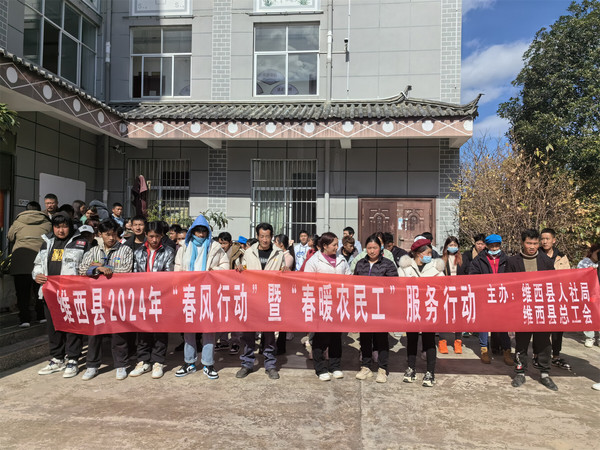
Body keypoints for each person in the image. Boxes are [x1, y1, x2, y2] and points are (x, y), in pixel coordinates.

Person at [32, 212, 88, 378]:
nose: (61, 230)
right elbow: (38, 264)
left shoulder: (81, 243)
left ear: (70, 227)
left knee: (72, 326)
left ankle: (73, 359)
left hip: (72, 293)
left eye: (64, 226)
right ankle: (57, 359)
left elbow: (87, 266)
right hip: (50, 292)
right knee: (53, 327)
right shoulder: (47, 242)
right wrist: (37, 275)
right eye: (57, 227)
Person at [173, 214, 229, 379]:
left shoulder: (215, 247)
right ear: (192, 231)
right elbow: (177, 269)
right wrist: (180, 285)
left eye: (204, 231)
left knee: (208, 329)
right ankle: (189, 362)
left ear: (208, 232)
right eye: (197, 231)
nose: (201, 234)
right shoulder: (184, 247)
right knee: (189, 328)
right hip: (189, 292)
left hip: (208, 293)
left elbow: (225, 267)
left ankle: (208, 363)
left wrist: (214, 271)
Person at [78, 219, 134, 381]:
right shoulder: (93, 250)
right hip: (97, 298)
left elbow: (126, 269)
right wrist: (98, 268)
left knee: (118, 333)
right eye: (107, 234)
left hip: (117, 298)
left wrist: (100, 268)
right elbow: (82, 269)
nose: (111, 238)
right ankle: (92, 365)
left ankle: (121, 365)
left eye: (114, 234)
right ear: (100, 234)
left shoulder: (125, 250)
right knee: (95, 333)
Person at [506, 229, 557, 391]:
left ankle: (544, 373)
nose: (532, 246)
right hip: (522, 308)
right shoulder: (513, 262)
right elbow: (507, 285)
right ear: (523, 243)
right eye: (529, 243)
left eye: (535, 243)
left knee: (543, 342)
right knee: (521, 342)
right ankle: (520, 372)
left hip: (541, 308)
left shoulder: (546, 261)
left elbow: (553, 284)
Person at [236, 223, 285, 380]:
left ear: (272, 237)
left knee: (269, 335)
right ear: (257, 236)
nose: (265, 240)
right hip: (252, 298)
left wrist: (286, 271)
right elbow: (242, 269)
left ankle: (270, 365)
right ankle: (247, 363)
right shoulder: (249, 252)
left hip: (270, 298)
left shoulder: (279, 253)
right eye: (262, 236)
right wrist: (239, 268)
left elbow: (284, 272)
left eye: (267, 236)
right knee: (248, 334)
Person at [128, 221, 176, 379]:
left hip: (160, 296)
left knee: (160, 330)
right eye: (151, 236)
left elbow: (168, 275)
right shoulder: (138, 252)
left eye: (157, 236)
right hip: (143, 296)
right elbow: (135, 274)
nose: (154, 240)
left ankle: (158, 361)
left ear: (162, 236)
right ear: (146, 235)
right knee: (143, 329)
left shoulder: (168, 251)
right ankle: (143, 360)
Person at [304, 232, 352, 381]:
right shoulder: (314, 261)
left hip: (338, 303)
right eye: (334, 245)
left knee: (336, 337)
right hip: (321, 303)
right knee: (321, 337)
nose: (337, 247)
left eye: (337, 244)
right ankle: (320, 368)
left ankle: (335, 366)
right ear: (325, 246)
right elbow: (307, 282)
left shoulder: (341, 259)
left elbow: (349, 277)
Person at [399, 237, 444, 387]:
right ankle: (411, 368)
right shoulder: (405, 268)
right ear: (419, 253)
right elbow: (400, 287)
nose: (430, 256)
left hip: (429, 308)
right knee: (411, 339)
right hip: (412, 308)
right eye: (428, 253)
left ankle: (430, 372)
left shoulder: (436, 268)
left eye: (431, 253)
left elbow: (442, 287)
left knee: (429, 340)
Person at [354, 234, 398, 383]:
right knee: (365, 337)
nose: (372, 251)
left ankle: (382, 368)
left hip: (381, 307)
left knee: (381, 338)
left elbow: (394, 285)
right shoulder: (360, 263)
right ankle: (365, 366)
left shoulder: (388, 264)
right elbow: (354, 283)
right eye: (369, 248)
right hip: (364, 306)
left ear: (381, 248)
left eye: (375, 248)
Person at [468, 234, 513, 366]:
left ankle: (507, 350)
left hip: (501, 296)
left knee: (503, 324)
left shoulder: (506, 259)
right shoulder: (478, 260)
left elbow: (512, 276)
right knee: (484, 324)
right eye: (492, 246)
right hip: (485, 296)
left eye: (497, 246)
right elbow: (473, 276)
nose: (494, 249)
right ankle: (484, 350)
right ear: (487, 246)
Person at [8, 201, 52, 327]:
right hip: (40, 262)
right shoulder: (47, 223)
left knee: (22, 293)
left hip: (20, 263)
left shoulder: (18, 222)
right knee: (40, 291)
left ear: (26, 210)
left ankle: (24, 319)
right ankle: (41, 316)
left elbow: (10, 237)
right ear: (39, 210)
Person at [539, 228, 571, 369]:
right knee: (541, 328)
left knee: (558, 328)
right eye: (542, 239)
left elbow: (568, 277)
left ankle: (556, 355)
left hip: (558, 297)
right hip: (541, 297)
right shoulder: (536, 255)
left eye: (547, 239)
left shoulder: (561, 257)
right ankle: (538, 354)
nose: (544, 241)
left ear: (554, 240)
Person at [438, 236, 464, 354]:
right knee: (443, 317)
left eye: (455, 245)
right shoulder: (441, 260)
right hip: (445, 292)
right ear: (446, 247)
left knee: (459, 317)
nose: (453, 247)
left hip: (459, 292)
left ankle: (458, 341)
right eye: (450, 245)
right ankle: (442, 341)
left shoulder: (463, 259)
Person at [577, 244, 600, 349]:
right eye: (597, 253)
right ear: (592, 252)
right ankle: (590, 337)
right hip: (588, 293)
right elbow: (579, 276)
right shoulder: (584, 263)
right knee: (589, 314)